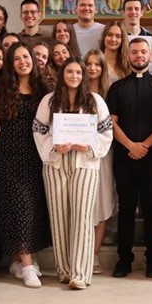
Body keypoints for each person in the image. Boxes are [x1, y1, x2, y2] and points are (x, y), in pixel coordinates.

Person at [34, 57, 113, 290]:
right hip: (55, 163)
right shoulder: (49, 101)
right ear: (62, 74)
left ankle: (80, 273)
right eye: (69, 72)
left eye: (78, 72)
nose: (74, 76)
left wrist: (89, 146)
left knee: (82, 216)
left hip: (85, 163)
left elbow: (106, 132)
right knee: (59, 217)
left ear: (84, 76)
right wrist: (53, 147)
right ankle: (64, 270)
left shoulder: (95, 101)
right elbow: (38, 130)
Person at [106, 38, 152, 278]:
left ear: (150, 55)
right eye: (134, 52)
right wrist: (130, 145)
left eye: (143, 52)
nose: (139, 56)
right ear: (128, 56)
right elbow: (111, 122)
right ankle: (123, 260)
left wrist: (143, 146)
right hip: (124, 157)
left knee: (151, 208)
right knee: (125, 208)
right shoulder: (117, 88)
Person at [0, 43, 51, 288]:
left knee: (33, 210)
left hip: (36, 157)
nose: (22, 62)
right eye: (16, 58)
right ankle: (27, 266)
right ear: (10, 63)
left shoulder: (44, 90)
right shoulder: (0, 89)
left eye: (26, 57)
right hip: (8, 158)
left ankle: (20, 260)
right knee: (19, 209)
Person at [84, 49, 116, 275]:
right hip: (78, 153)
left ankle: (94, 255)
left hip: (103, 153)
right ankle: (81, 253)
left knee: (102, 201)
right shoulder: (75, 90)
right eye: (88, 64)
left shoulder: (110, 92)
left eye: (97, 64)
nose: (92, 68)